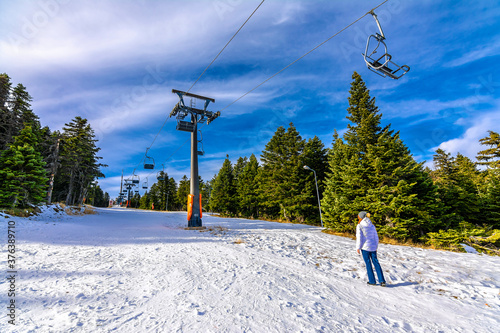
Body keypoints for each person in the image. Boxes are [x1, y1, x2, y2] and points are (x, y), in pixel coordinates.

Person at [356, 211, 386, 287]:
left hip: (365, 248)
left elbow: (359, 238)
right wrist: (376, 246)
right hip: (373, 247)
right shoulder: (372, 226)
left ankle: (372, 281)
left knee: (368, 263)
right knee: (376, 263)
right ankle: (382, 281)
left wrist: (358, 247)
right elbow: (376, 237)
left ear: (361, 217)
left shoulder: (360, 226)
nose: (357, 217)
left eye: (358, 216)